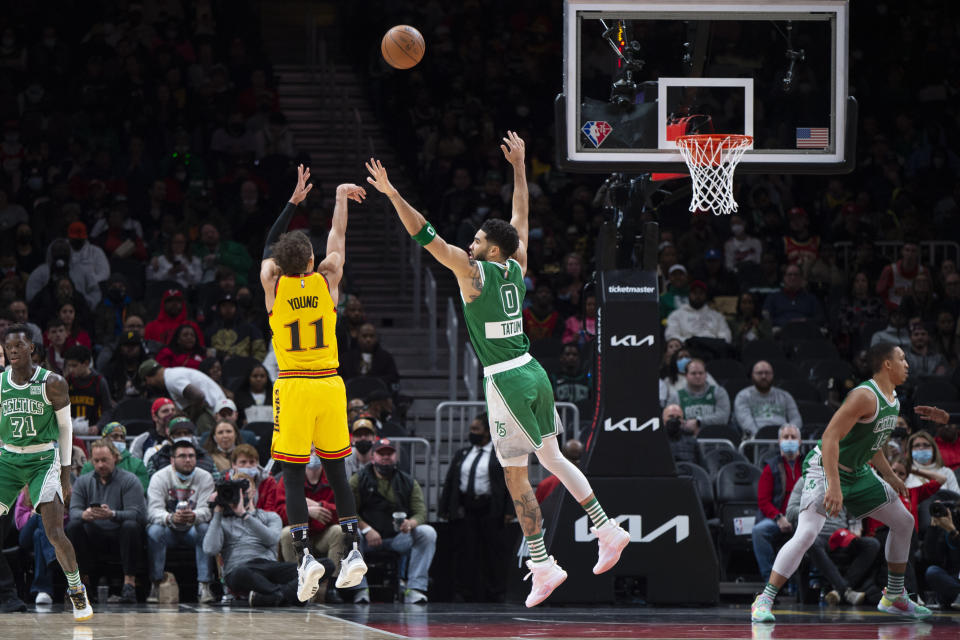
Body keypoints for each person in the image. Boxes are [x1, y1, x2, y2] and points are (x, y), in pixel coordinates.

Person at [365, 133, 630, 609]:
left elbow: (424, 234)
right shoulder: (516, 266)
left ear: (490, 251)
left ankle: (543, 563)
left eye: (477, 241)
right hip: (534, 370)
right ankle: (607, 528)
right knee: (553, 459)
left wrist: (391, 194)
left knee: (515, 477)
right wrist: (520, 168)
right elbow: (520, 218)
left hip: (506, 379)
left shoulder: (472, 274)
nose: (470, 244)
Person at [750, 343, 951, 623]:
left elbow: (874, 443)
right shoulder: (863, 396)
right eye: (902, 359)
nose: (908, 364)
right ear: (887, 364)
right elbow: (830, 438)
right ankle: (764, 599)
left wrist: (890, 476)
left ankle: (894, 595)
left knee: (904, 522)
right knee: (807, 533)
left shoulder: (892, 399)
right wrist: (833, 485)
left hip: (858, 472)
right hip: (825, 468)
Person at [259, 165, 368, 601]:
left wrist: (291, 204)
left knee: (291, 470)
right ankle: (354, 547)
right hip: (329, 383)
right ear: (310, 260)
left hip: (294, 384)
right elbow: (338, 240)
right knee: (338, 470)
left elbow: (268, 245)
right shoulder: (327, 280)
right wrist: (339, 197)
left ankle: (304, 555)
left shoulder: (273, 284)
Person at [0, 324, 93, 619]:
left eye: (18, 345)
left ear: (32, 348)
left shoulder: (52, 383)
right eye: (8, 346)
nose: (12, 350)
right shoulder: (0, 383)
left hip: (43, 458)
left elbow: (65, 429)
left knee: (53, 531)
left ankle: (77, 592)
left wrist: (65, 475)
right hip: (8, 458)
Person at [202, 464, 333, 608]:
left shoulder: (270, 516)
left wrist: (245, 516)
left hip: (268, 567)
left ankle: (275, 596)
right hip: (239, 569)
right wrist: (217, 512)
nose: (238, 496)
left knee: (325, 564)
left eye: (242, 491)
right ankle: (288, 595)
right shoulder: (222, 521)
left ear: (252, 492)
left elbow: (271, 539)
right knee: (241, 572)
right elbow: (210, 549)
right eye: (233, 492)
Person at [350, 439, 437, 604]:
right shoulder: (358, 479)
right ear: (372, 457)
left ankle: (415, 588)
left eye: (389, 454)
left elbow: (420, 512)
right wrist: (367, 529)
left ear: (396, 457)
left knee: (427, 532)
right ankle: (360, 589)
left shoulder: (408, 481)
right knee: (349, 533)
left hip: (398, 537)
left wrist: (411, 523)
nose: (385, 457)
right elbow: (348, 512)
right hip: (366, 539)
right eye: (381, 453)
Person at [439, 412, 513, 602]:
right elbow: (450, 481)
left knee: (492, 553)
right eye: (471, 429)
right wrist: (445, 507)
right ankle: (463, 591)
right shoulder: (463, 453)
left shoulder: (499, 454)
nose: (472, 433)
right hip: (466, 507)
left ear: (487, 433)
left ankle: (496, 591)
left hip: (490, 507)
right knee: (465, 551)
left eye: (476, 430)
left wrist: (509, 510)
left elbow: (510, 484)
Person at [66, 438, 146, 604]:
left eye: (105, 460)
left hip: (121, 535)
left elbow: (139, 515)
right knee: (74, 525)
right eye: (96, 461)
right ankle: (84, 584)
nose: (101, 465)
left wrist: (113, 514)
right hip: (94, 535)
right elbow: (73, 512)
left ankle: (129, 584)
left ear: (115, 458)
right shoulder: (83, 481)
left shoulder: (129, 480)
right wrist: (85, 514)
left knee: (131, 526)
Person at [145, 438, 215, 604]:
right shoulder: (159, 477)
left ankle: (204, 586)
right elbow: (152, 511)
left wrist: (194, 516)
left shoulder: (205, 477)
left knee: (205, 529)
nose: (188, 459)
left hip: (193, 529)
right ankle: (155, 584)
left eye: (191, 456)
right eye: (182, 456)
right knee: (154, 530)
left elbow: (207, 510)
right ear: (172, 460)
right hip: (168, 529)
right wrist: (169, 517)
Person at [275, 454, 347, 598]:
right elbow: (279, 513)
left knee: (340, 531)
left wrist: (320, 506)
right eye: (310, 451)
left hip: (322, 534)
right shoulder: (287, 478)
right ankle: (297, 584)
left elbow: (343, 510)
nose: (313, 455)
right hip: (300, 533)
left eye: (316, 451)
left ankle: (330, 588)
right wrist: (306, 511)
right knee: (287, 533)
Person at [751, 424, 803, 580]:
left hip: (804, 517)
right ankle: (770, 580)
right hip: (779, 518)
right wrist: (779, 518)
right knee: (759, 531)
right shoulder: (771, 466)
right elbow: (763, 501)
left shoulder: (809, 463)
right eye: (785, 437)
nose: (789, 440)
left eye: (793, 437)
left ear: (800, 441)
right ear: (779, 441)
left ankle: (813, 581)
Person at [139, 358, 226, 434]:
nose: (149, 384)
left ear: (148, 378)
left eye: (147, 382)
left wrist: (191, 419)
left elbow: (198, 396)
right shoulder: (171, 375)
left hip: (211, 412)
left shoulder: (172, 379)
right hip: (213, 410)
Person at [734, 361, 803, 439]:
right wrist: (761, 437)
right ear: (752, 375)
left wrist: (788, 435)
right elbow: (746, 422)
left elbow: (796, 419)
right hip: (756, 440)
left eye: (767, 373)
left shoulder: (785, 396)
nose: (764, 376)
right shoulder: (742, 396)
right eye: (759, 373)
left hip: (784, 439)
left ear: (773, 375)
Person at [79, 422, 149, 492]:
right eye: (114, 436)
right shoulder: (89, 466)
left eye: (122, 437)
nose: (119, 439)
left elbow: (141, 489)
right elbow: (83, 490)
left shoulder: (137, 464)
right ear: (104, 439)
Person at [667, 358, 731, 431]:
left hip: (714, 436)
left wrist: (699, 422)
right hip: (685, 437)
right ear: (686, 376)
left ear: (706, 375)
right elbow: (669, 420)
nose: (698, 376)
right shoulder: (676, 396)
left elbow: (723, 418)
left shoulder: (719, 392)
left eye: (701, 373)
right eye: (693, 373)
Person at [664, 280, 732, 343]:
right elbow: (671, 335)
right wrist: (690, 342)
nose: (698, 296)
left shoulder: (717, 316)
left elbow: (726, 336)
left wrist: (712, 344)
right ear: (689, 294)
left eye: (701, 293)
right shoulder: (677, 315)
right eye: (695, 293)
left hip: (712, 350)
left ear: (705, 295)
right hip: (687, 349)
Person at [876, 242, 929, 310]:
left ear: (918, 253)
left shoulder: (923, 271)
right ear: (902, 252)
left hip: (917, 311)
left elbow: (928, 294)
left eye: (913, 251)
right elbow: (881, 294)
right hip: (893, 311)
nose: (910, 254)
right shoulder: (889, 270)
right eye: (907, 250)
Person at [130, 397, 177, 461]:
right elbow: (134, 466)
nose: (171, 413)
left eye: (173, 410)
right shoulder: (143, 440)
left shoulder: (185, 436)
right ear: (154, 417)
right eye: (165, 411)